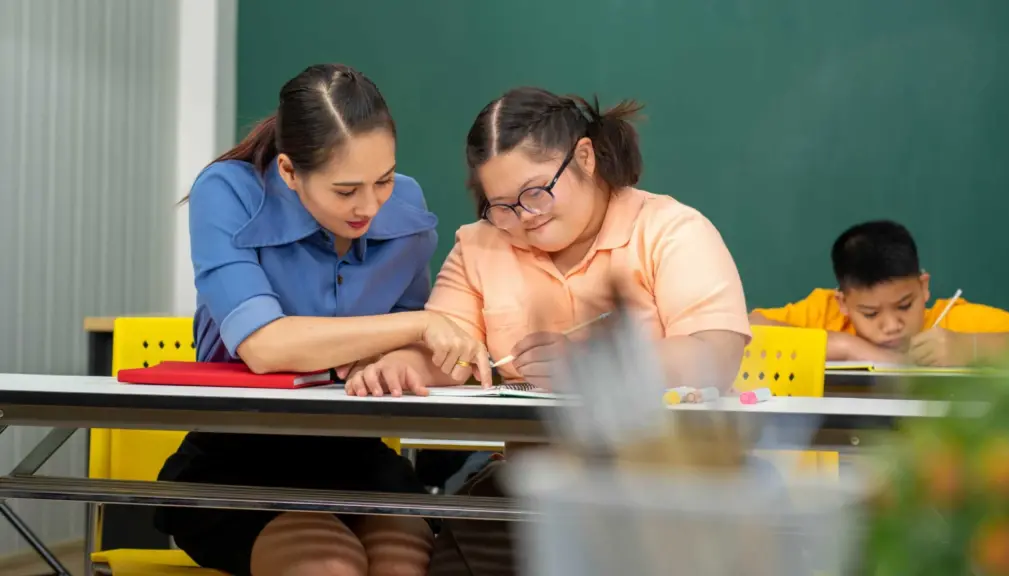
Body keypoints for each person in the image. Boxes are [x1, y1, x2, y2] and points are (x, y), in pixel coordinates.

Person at [155, 64, 491, 576]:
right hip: (239, 453)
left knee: (406, 563)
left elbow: (410, 355)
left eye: (383, 179)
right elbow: (264, 346)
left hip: (354, 451)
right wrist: (418, 327)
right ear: (289, 172)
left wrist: (408, 358)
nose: (370, 205)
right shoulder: (228, 191)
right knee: (328, 565)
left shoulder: (406, 206)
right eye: (345, 190)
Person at [345, 87, 751, 397]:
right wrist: (400, 367)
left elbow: (715, 356)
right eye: (501, 205)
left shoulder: (670, 231)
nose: (524, 217)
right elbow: (452, 353)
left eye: (536, 192)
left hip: (664, 478)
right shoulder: (480, 245)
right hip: (532, 477)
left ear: (585, 158)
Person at [749, 220, 1009, 366]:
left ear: (923, 287)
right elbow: (746, 330)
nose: (892, 325)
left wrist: (971, 348)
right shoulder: (826, 315)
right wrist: (849, 348)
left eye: (905, 306)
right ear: (843, 303)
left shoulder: (952, 322)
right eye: (870, 313)